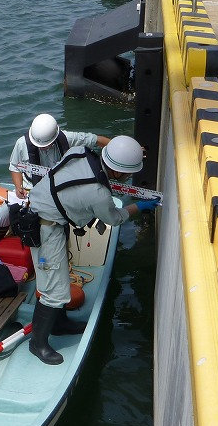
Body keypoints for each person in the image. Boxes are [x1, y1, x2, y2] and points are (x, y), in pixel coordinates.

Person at [25, 135, 159, 365]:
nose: (127, 178)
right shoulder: (98, 194)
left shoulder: (79, 152)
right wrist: (138, 206)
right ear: (116, 171)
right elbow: (114, 218)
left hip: (45, 212)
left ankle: (59, 323)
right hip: (46, 229)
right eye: (126, 173)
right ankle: (38, 344)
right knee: (52, 290)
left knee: (60, 278)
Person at [0, 114, 112, 249]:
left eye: (47, 145)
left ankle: (62, 250)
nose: (43, 148)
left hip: (58, 193)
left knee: (60, 223)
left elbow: (98, 140)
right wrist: (18, 186)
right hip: (29, 189)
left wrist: (123, 150)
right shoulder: (21, 143)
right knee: (3, 213)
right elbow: (15, 166)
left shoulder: (68, 138)